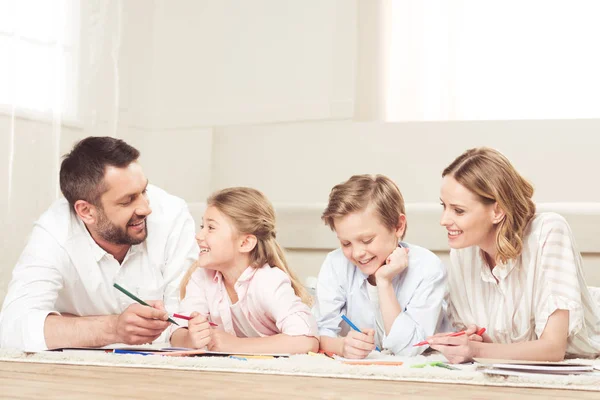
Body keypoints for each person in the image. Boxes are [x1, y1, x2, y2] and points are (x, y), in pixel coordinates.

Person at [0, 136, 198, 351]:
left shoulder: (172, 215)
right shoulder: (54, 233)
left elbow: (183, 320)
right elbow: (12, 329)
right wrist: (113, 328)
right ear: (86, 211)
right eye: (127, 200)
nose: (145, 208)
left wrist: (71, 324)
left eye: (144, 191)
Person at [429, 147, 600, 363]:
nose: (444, 220)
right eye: (444, 206)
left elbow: (553, 348)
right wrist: (473, 341)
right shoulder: (463, 250)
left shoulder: (549, 232)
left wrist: (475, 350)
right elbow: (494, 343)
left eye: (458, 210)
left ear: (497, 211)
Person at [314, 174, 448, 358]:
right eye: (346, 243)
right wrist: (341, 346)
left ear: (398, 226)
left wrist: (384, 282)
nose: (357, 253)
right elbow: (318, 334)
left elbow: (410, 348)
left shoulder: (428, 268)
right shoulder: (336, 264)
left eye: (367, 240)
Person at [171, 187, 319, 354]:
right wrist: (190, 338)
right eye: (202, 226)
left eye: (211, 228)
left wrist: (236, 346)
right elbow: (176, 333)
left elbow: (307, 340)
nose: (199, 235)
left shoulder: (268, 281)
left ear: (245, 243)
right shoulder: (202, 276)